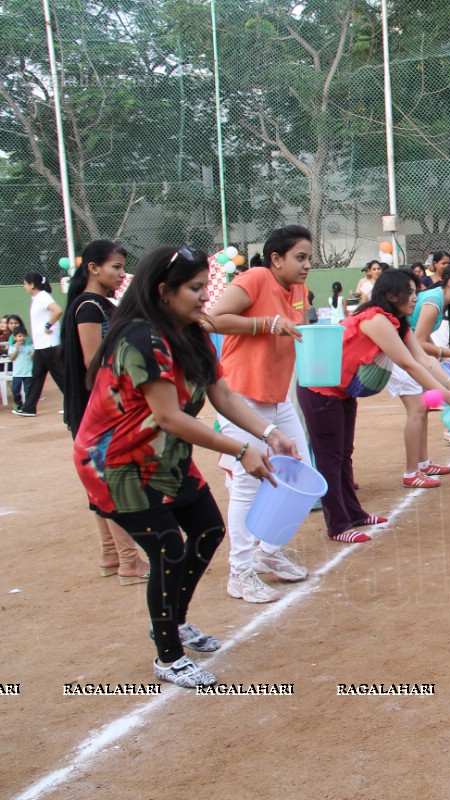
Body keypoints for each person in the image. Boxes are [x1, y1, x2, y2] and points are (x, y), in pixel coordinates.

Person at [73, 245, 301, 687]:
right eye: (196, 288)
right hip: (117, 464)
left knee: (209, 529)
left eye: (204, 286)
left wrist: (270, 434)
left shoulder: (192, 330)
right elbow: (168, 415)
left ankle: (173, 620)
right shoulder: (141, 338)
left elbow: (222, 395)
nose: (204, 296)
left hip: (164, 454)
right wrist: (239, 450)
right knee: (168, 549)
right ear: (164, 291)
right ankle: (168, 654)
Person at [298, 268, 450, 542]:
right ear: (391, 295)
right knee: (329, 458)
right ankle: (338, 526)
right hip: (320, 389)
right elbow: (408, 363)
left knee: (343, 453)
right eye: (411, 292)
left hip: (340, 391)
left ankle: (354, 513)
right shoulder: (376, 319)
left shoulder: (397, 322)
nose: (415, 297)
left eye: (416, 291)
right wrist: (444, 395)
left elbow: (425, 360)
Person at [209, 224, 313, 604]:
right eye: (300, 258)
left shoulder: (298, 289)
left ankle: (267, 551)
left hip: (277, 397)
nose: (306, 266)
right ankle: (240, 573)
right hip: (240, 396)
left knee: (298, 472)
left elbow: (295, 329)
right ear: (276, 258)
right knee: (247, 481)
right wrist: (265, 323)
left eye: (308, 258)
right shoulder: (254, 278)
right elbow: (213, 318)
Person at [61, 240, 151, 585]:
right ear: (93, 268)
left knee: (99, 484)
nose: (121, 273)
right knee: (113, 485)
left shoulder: (97, 305)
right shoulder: (90, 307)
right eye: (115, 267)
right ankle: (129, 561)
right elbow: (93, 361)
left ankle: (111, 555)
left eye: (122, 266)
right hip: (101, 411)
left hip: (97, 410)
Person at [396, 260, 450, 485]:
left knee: (422, 408)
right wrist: (449, 352)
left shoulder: (439, 300)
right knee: (417, 409)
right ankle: (411, 472)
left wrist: (441, 359)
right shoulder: (434, 301)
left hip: (408, 351)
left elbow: (419, 336)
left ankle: (423, 464)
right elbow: (420, 341)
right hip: (399, 354)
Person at [12, 273, 64, 417]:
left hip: (49, 344)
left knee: (60, 375)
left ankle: (76, 404)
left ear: (32, 284)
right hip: (41, 346)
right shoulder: (37, 298)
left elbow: (57, 310)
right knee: (37, 376)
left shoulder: (43, 296)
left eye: (25, 283)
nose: (24, 286)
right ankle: (29, 408)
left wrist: (48, 325)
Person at [7, 326, 33, 408]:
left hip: (28, 373)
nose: (22, 338)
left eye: (24, 336)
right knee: (15, 389)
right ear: (15, 337)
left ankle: (28, 404)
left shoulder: (29, 346)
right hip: (17, 373)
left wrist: (33, 354)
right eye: (20, 336)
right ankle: (18, 403)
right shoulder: (12, 347)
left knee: (28, 390)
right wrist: (16, 349)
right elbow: (11, 358)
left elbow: (33, 356)